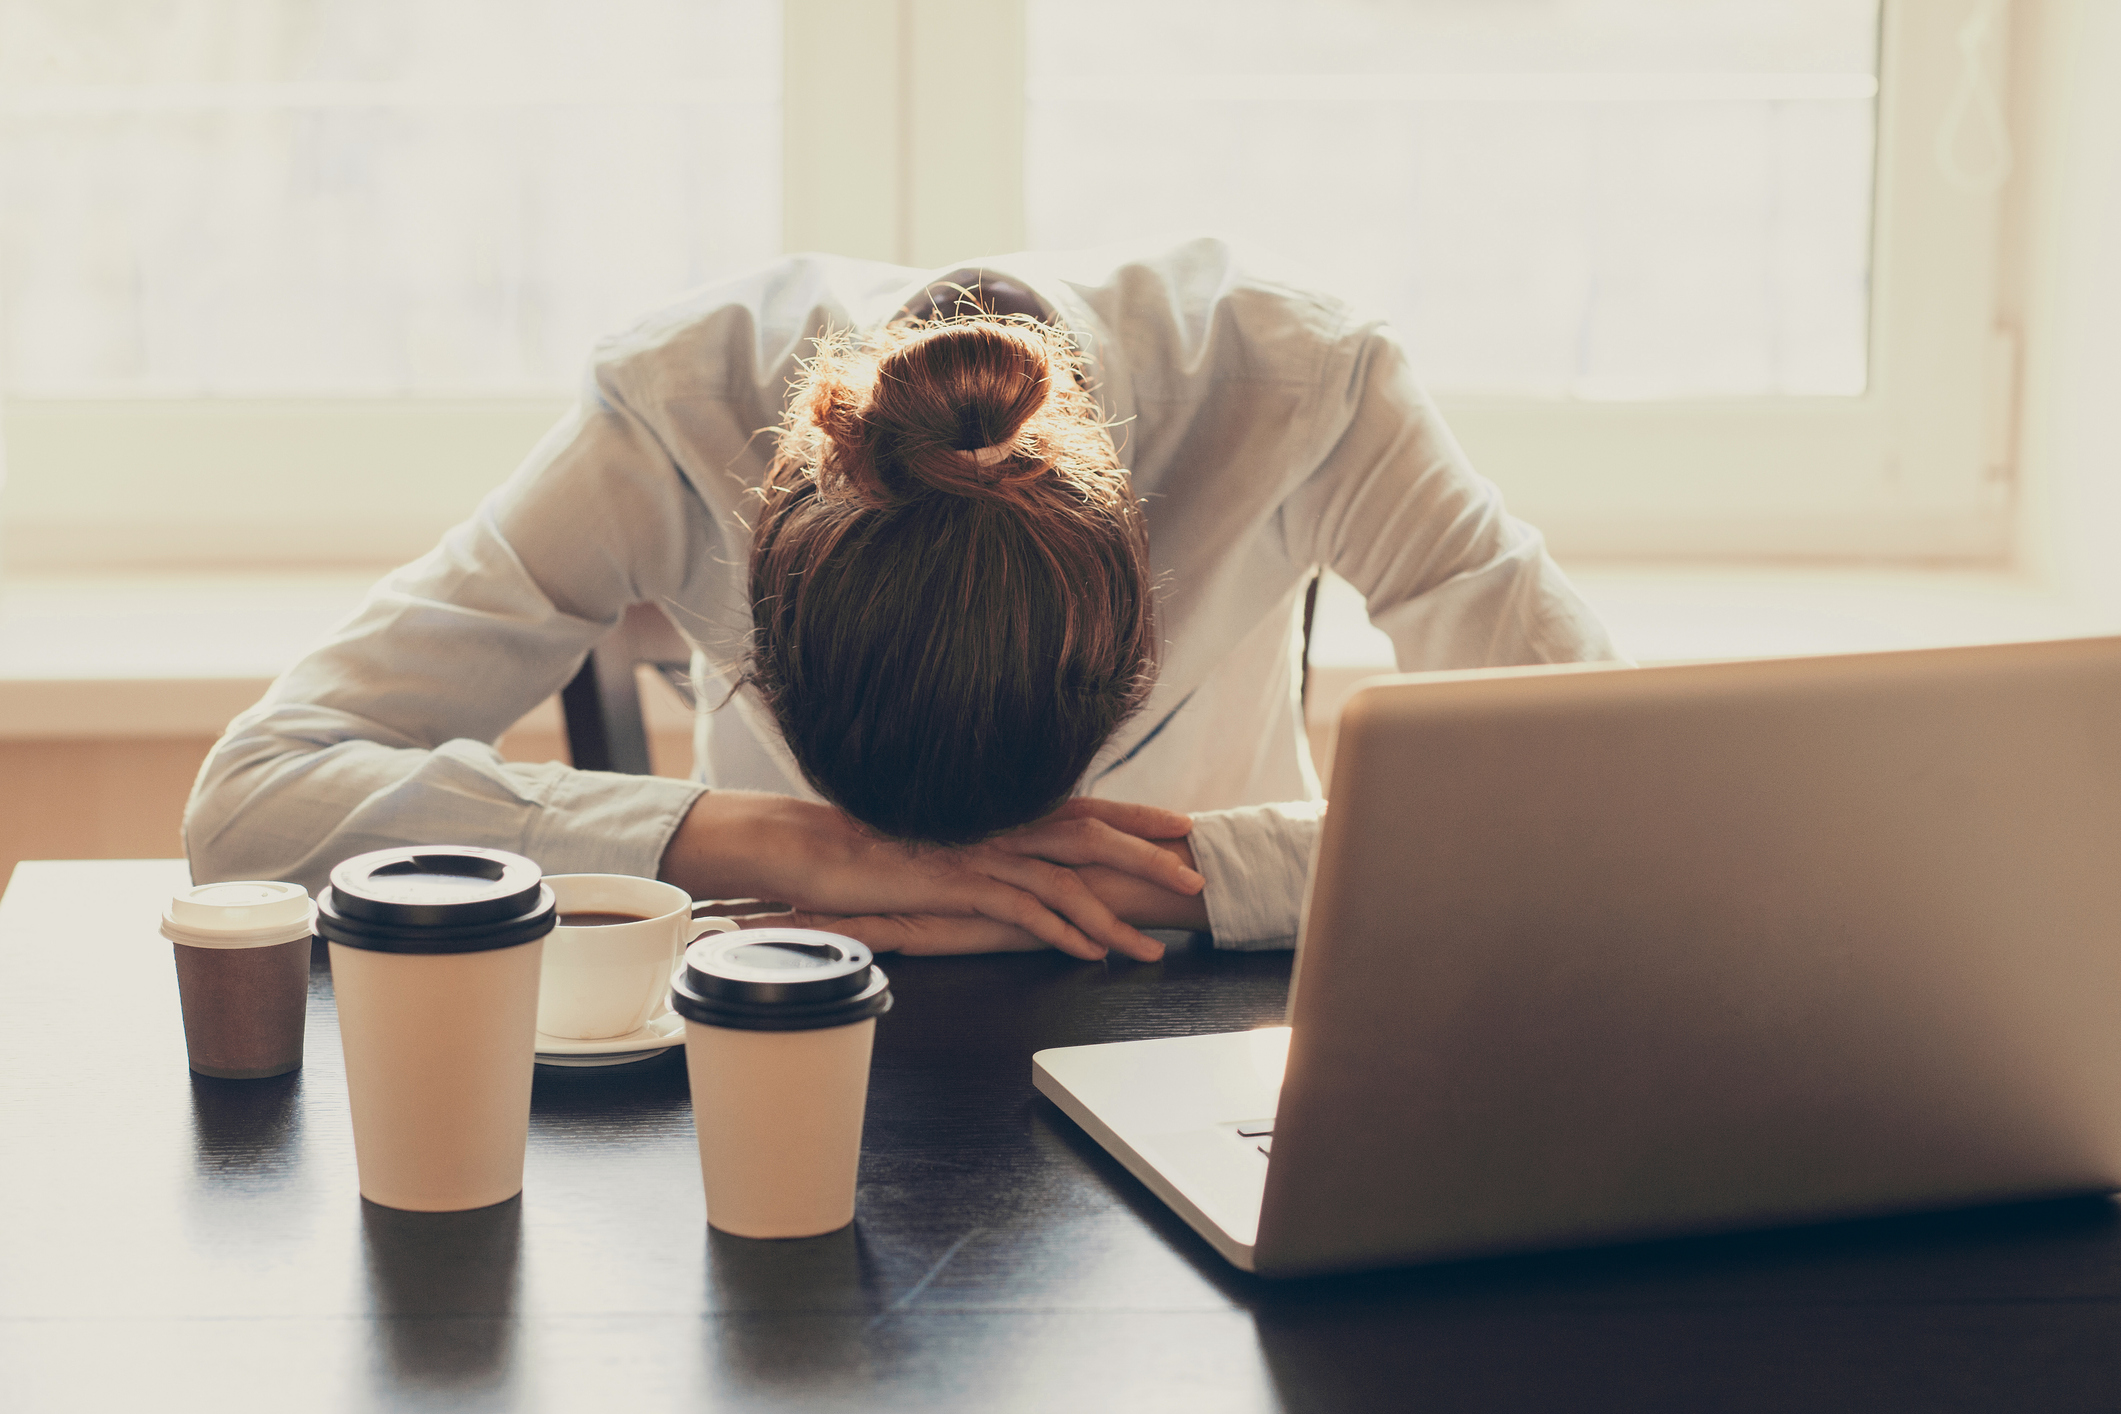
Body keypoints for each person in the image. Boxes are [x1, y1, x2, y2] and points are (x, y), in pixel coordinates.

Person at [184, 236, 1618, 958]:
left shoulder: (1309, 387)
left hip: (1195, 1008)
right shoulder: (678, 407)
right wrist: (775, 843)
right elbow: (255, 799)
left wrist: (1180, 875)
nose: (979, 872)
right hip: (796, 978)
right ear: (764, 594)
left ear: (1135, 608)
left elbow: (1618, 803)